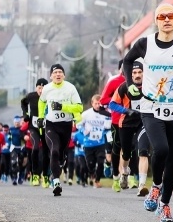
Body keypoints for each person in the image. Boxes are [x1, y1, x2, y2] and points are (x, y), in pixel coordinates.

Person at [123, 4, 173, 222]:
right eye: (162, 16)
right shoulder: (144, 44)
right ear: (156, 21)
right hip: (151, 107)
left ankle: (165, 206)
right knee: (161, 149)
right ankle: (155, 186)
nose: (166, 20)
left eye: (171, 16)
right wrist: (130, 84)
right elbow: (128, 61)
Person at [37, 63, 84, 196]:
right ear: (51, 76)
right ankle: (56, 182)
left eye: (60, 72)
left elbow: (79, 107)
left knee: (62, 155)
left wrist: (63, 106)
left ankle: (57, 170)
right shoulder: (47, 88)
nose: (58, 74)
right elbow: (41, 102)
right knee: (54, 151)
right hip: (51, 125)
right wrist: (41, 117)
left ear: (64, 75)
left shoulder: (70, 88)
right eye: (55, 72)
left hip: (66, 125)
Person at [109, 60, 151, 196]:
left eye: (140, 72)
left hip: (143, 122)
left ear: (144, 74)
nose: (137, 75)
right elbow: (112, 105)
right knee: (126, 153)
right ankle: (125, 172)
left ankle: (142, 185)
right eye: (134, 73)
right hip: (126, 123)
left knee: (143, 151)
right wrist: (126, 111)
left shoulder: (150, 86)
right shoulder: (124, 87)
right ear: (130, 75)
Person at [100, 60, 126, 186]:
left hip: (134, 121)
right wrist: (118, 99)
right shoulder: (114, 81)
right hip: (116, 120)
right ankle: (116, 175)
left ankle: (128, 176)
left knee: (131, 149)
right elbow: (103, 99)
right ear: (120, 69)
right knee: (117, 148)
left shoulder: (140, 81)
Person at [80, 94, 112, 189]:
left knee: (101, 162)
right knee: (90, 163)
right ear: (92, 104)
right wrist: (84, 131)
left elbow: (109, 127)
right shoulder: (86, 114)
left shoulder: (106, 114)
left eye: (99, 103)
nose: (98, 105)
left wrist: (107, 133)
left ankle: (97, 180)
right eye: (96, 103)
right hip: (88, 143)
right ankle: (92, 175)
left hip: (100, 143)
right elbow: (78, 125)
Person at [21, 78, 49, 187]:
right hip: (34, 127)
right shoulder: (31, 96)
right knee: (35, 147)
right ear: (36, 88)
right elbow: (23, 102)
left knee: (46, 153)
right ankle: (35, 174)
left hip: (47, 128)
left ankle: (45, 176)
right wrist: (25, 114)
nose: (41, 90)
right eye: (39, 88)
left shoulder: (50, 97)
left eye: (43, 88)